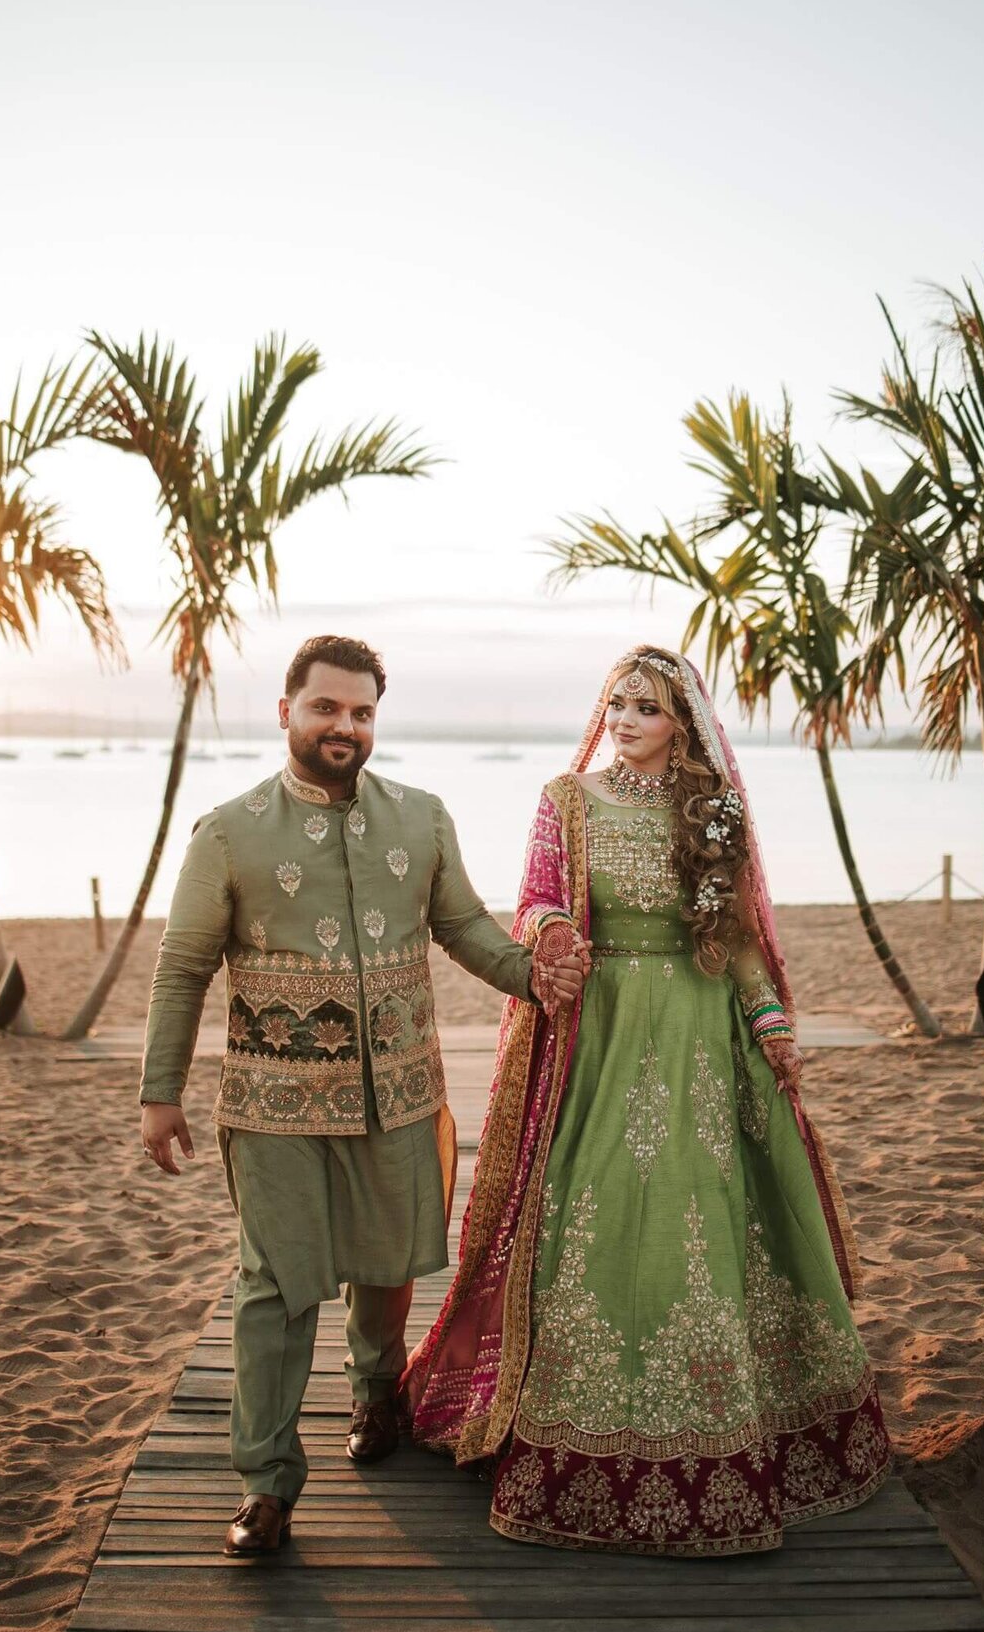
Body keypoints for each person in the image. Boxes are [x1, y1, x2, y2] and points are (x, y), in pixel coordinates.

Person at [403, 644, 891, 1555]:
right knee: (587, 1201)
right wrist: (552, 934)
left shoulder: (714, 809)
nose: (626, 721)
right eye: (617, 703)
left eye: (649, 708)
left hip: (700, 1032)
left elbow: (738, 934)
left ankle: (729, 1430)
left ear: (683, 724)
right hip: (603, 1029)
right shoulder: (567, 801)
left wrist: (770, 1018)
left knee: (702, 1207)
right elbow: (533, 901)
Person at [138, 634, 587, 1557]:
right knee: (276, 1287)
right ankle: (266, 1482)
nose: (344, 726)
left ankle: (377, 1394)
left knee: (389, 1268)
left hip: (402, 1095)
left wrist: (532, 975)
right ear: (287, 713)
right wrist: (160, 1092)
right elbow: (182, 967)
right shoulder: (228, 832)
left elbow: (462, 927)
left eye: (362, 713)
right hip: (274, 1110)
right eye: (326, 709)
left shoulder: (420, 819)